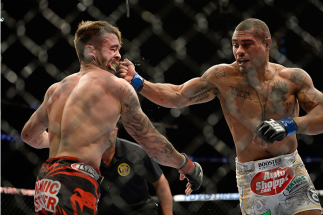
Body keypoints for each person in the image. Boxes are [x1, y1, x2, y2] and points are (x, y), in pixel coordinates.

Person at [124, 18, 323, 214]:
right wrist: (137, 81)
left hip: (290, 168)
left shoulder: (293, 78)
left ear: (267, 43)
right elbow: (177, 96)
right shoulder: (222, 77)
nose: (239, 51)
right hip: (253, 175)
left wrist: (289, 125)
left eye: (246, 44)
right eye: (235, 45)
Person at [21, 20, 202, 215]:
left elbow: (29, 136)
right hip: (76, 181)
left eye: (119, 49)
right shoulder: (116, 86)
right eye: (113, 49)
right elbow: (151, 142)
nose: (118, 55)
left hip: (46, 183)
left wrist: (65, 138)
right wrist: (186, 165)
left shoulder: (56, 89)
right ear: (91, 51)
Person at [98, 127, 173, 215]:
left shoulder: (135, 152)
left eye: (109, 131)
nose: (106, 136)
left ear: (116, 131)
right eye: (102, 131)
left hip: (140, 210)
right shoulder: (86, 156)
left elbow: (160, 181)